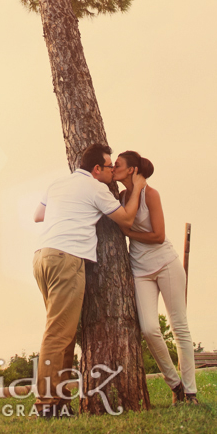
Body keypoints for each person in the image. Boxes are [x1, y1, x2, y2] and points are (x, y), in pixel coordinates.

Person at [32, 142, 146, 418]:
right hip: (66, 258)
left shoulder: (59, 183)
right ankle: (45, 405)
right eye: (109, 167)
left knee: (66, 331)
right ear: (97, 169)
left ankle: (60, 403)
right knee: (58, 332)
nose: (111, 173)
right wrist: (139, 188)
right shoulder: (96, 188)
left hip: (42, 257)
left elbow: (38, 215)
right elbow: (127, 219)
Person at [113, 150, 198, 405]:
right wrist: (127, 230)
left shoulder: (151, 194)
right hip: (139, 270)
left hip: (166, 264)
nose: (113, 168)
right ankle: (175, 384)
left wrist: (128, 233)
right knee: (149, 329)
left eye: (118, 165)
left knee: (179, 327)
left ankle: (191, 392)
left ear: (131, 170)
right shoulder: (122, 196)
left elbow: (159, 236)